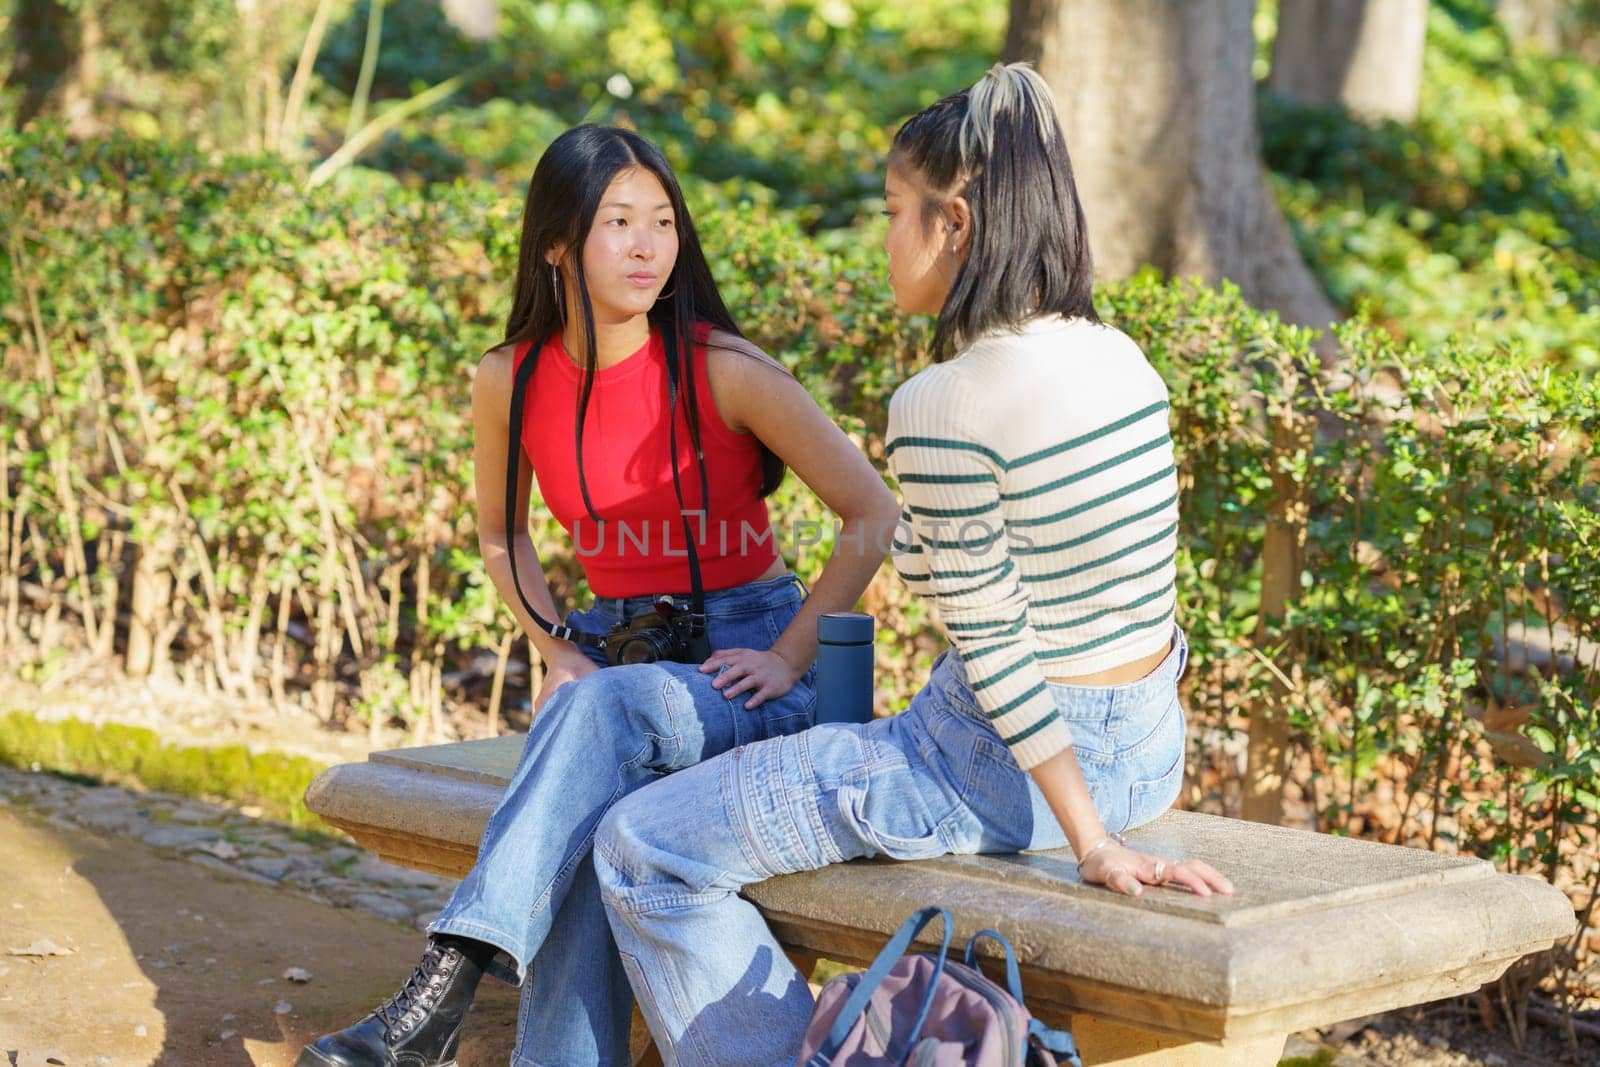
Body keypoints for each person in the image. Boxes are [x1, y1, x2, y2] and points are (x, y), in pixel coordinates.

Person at [589, 64, 1236, 1065]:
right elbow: (1129, 591)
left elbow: (1000, 652)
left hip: (997, 765)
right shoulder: (1121, 358)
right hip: (1148, 743)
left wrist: (1092, 843)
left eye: (894, 210)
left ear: (959, 223)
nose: (882, 235)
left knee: (641, 845)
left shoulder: (943, 403)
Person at [297, 125, 898, 1067]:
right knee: (594, 818)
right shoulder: (511, 378)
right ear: (557, 244)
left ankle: (440, 988)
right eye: (617, 221)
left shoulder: (722, 368)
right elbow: (503, 536)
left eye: (661, 221)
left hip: (748, 677)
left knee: (599, 714)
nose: (646, 244)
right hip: (620, 669)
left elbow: (872, 512)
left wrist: (788, 656)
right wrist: (558, 650)